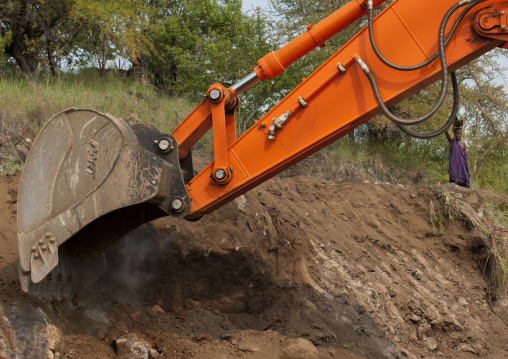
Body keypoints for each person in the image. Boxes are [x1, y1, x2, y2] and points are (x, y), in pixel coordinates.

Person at [445, 119, 470, 188]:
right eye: (457, 133)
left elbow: (465, 158)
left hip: (462, 167)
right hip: (455, 167)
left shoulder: (463, 144)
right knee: (453, 184)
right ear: (454, 134)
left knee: (464, 186)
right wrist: (450, 123)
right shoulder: (452, 142)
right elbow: (446, 131)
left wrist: (468, 170)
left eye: (459, 133)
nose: (458, 135)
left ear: (461, 134)